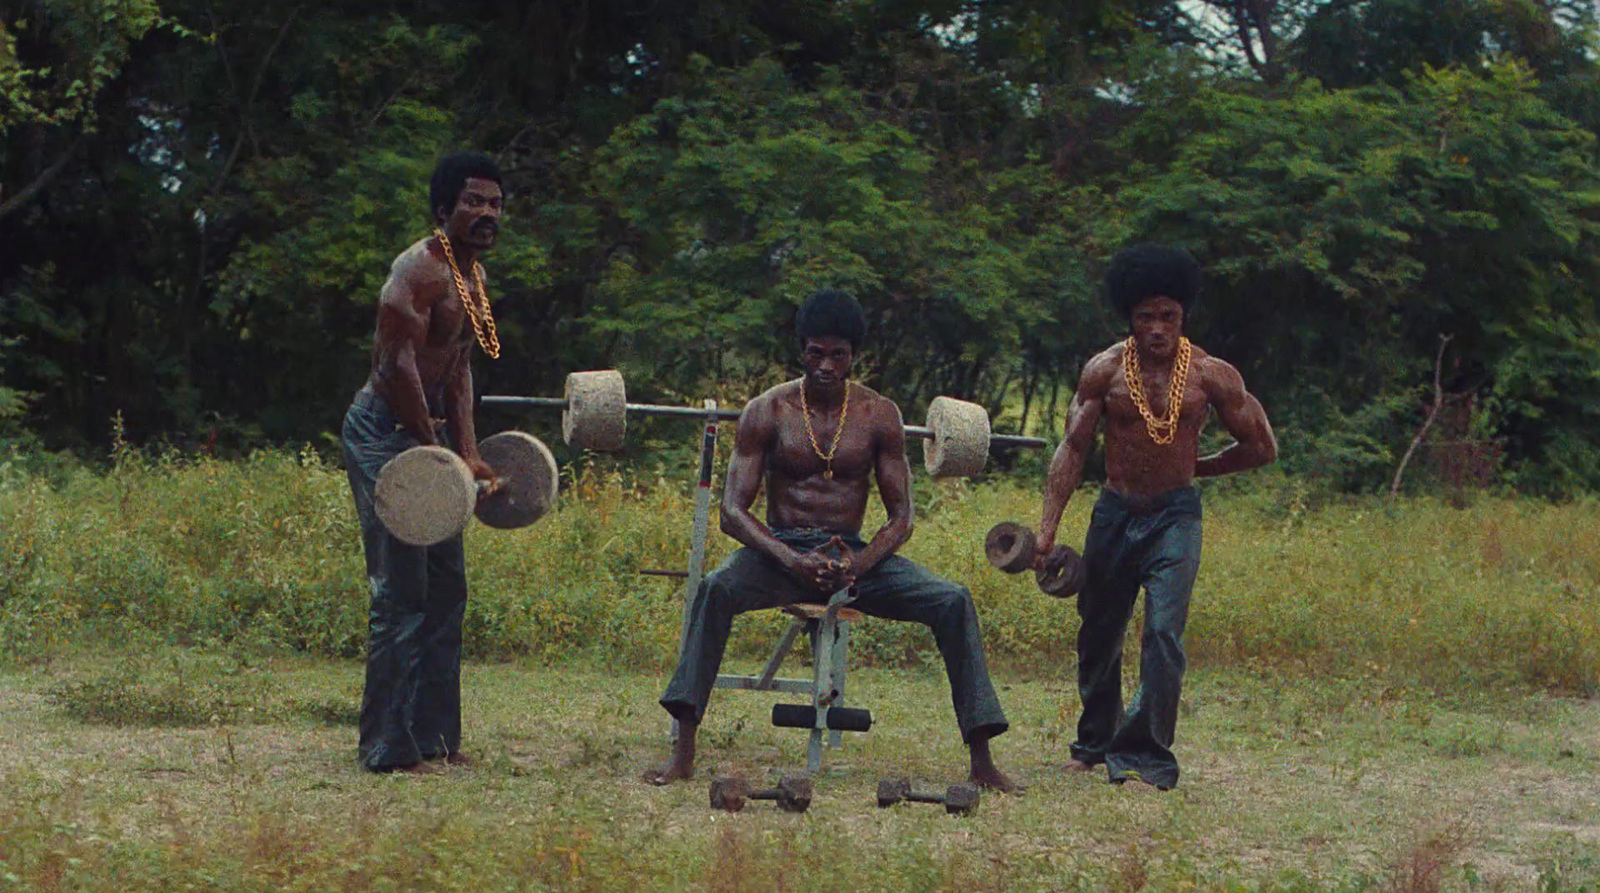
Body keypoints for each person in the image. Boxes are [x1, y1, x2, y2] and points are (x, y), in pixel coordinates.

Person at [645, 289, 1020, 791]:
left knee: (952, 600)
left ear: (852, 358)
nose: (826, 365)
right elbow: (733, 512)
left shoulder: (878, 415)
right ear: (802, 351)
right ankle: (684, 753)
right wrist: (792, 562)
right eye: (816, 353)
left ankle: (983, 761)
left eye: (837, 355)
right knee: (716, 587)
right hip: (782, 552)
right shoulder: (768, 410)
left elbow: (902, 517)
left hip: (852, 556)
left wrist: (860, 564)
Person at [1034, 244, 1277, 791]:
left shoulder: (1212, 375)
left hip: (1175, 516)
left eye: (1168, 315)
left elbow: (1262, 447)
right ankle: (1095, 743)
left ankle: (1144, 755)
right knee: (1099, 630)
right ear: (1130, 319)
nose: (1158, 328)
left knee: (1164, 633)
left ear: (1183, 316)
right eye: (1146, 316)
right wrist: (1048, 529)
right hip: (1115, 511)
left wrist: (1198, 468)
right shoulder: (1105, 370)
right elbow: (1073, 447)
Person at [340, 152, 505, 773]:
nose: (487, 213)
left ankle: (436, 740)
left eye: (494, 203)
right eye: (473, 201)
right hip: (385, 434)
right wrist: (429, 444)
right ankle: (387, 748)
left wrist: (467, 453)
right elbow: (397, 368)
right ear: (444, 209)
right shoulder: (415, 272)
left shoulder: (473, 277)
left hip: (428, 436)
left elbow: (458, 371)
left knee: (447, 588)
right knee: (403, 592)